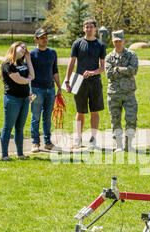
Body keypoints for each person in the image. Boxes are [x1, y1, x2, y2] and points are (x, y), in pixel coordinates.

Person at [65, 18, 106, 150]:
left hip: (95, 82)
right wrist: (67, 80)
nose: (88, 29)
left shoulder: (100, 45)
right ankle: (78, 138)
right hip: (78, 81)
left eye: (91, 27)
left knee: (94, 111)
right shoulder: (77, 43)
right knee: (80, 111)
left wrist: (93, 72)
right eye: (86, 27)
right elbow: (71, 63)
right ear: (83, 29)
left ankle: (93, 139)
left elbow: (103, 67)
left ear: (95, 29)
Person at [0, 42, 35, 161]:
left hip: (24, 99)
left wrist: (29, 60)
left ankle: (20, 154)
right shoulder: (7, 64)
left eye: (26, 48)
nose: (25, 50)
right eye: (22, 47)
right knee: (8, 127)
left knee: (20, 128)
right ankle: (5, 155)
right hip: (12, 99)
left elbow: (32, 76)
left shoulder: (22, 62)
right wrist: (27, 80)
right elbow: (18, 79)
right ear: (14, 48)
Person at [104, 30, 139, 152]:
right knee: (115, 119)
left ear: (124, 40)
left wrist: (118, 69)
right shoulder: (109, 57)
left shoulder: (132, 55)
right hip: (113, 93)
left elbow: (134, 70)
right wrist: (125, 70)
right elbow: (109, 74)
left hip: (129, 93)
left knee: (131, 118)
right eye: (115, 41)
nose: (118, 43)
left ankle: (128, 144)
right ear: (113, 42)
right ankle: (118, 145)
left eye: (120, 41)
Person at [29, 28, 62, 153]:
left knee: (47, 117)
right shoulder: (32, 54)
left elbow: (55, 71)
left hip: (50, 89)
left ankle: (48, 142)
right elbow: (28, 73)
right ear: (36, 39)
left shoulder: (52, 52)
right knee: (36, 116)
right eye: (42, 38)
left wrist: (59, 87)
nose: (45, 40)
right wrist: (29, 90)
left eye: (46, 37)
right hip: (36, 89)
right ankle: (35, 142)